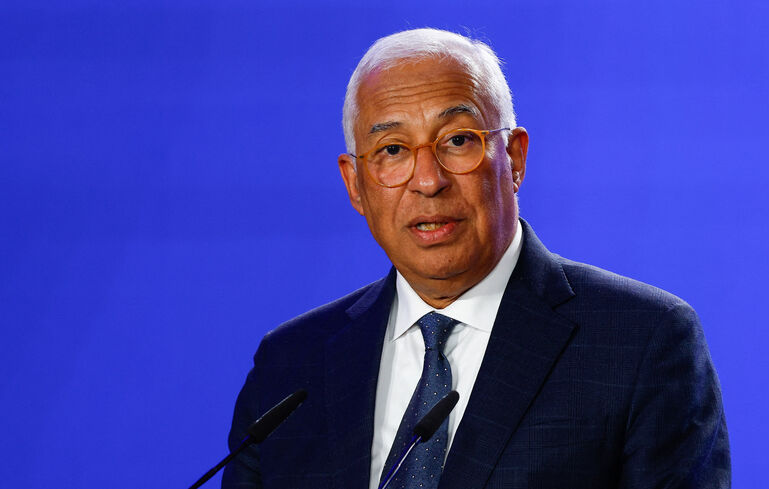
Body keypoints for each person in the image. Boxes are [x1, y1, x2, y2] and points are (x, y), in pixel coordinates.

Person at [222, 28, 730, 489]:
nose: (428, 180)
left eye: (458, 141)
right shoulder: (291, 363)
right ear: (355, 185)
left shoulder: (640, 342)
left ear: (514, 159)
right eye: (393, 150)